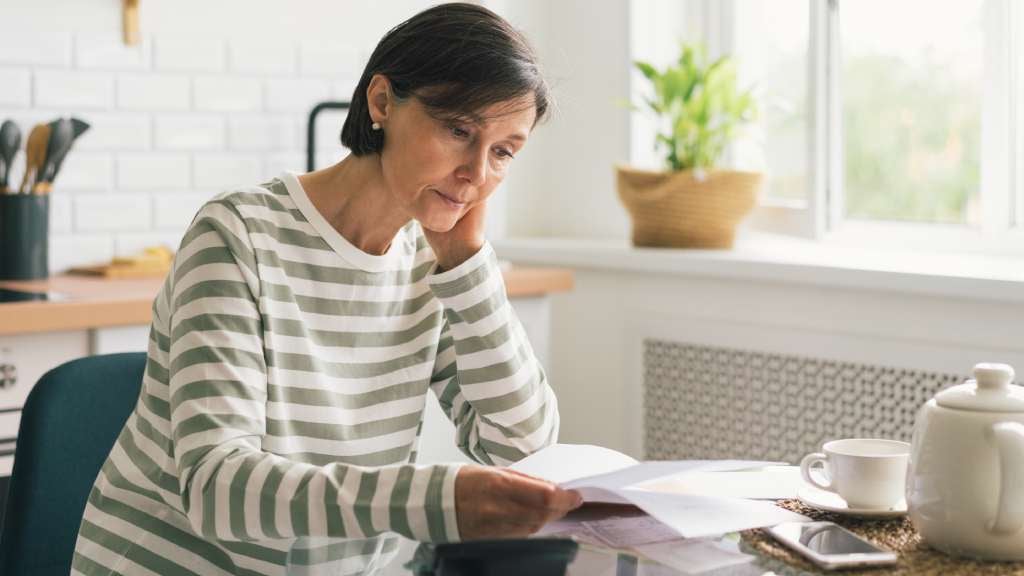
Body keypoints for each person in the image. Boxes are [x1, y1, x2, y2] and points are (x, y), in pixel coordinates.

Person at [71, 4, 580, 575]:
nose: (477, 174)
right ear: (382, 102)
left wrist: (467, 264)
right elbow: (217, 490)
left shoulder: (432, 267)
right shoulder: (238, 235)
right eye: (459, 130)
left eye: (503, 152)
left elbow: (525, 450)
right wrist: (433, 500)